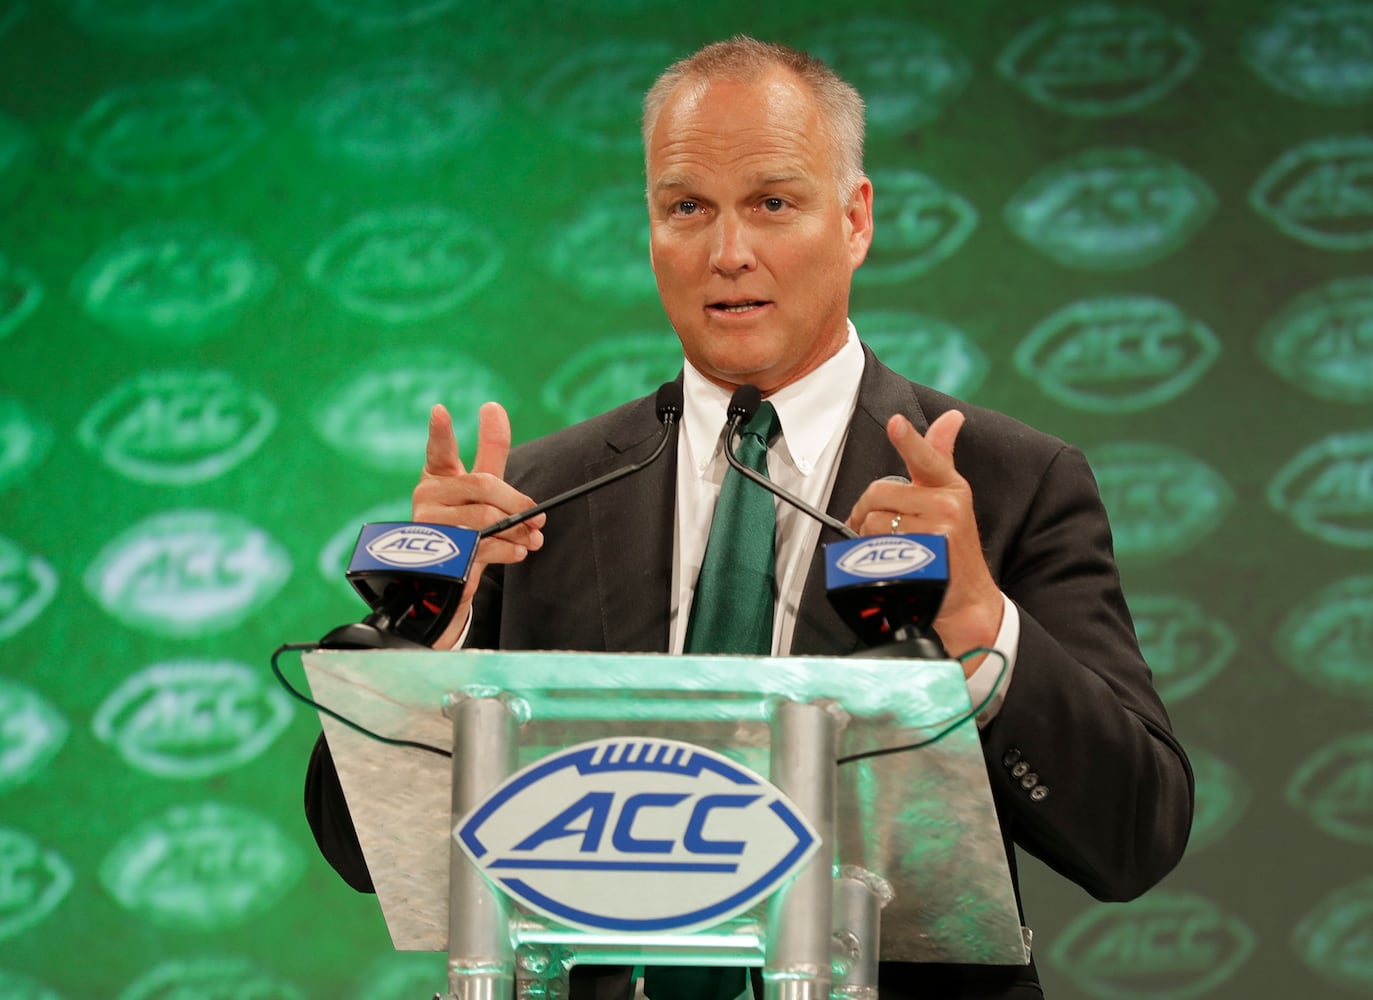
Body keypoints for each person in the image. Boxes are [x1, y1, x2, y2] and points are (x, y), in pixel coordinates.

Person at [306, 36, 1193, 1000]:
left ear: (853, 220)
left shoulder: (1006, 482)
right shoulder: (536, 494)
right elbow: (358, 848)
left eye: (773, 203)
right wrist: (432, 630)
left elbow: (1134, 838)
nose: (728, 252)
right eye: (686, 207)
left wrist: (982, 628)